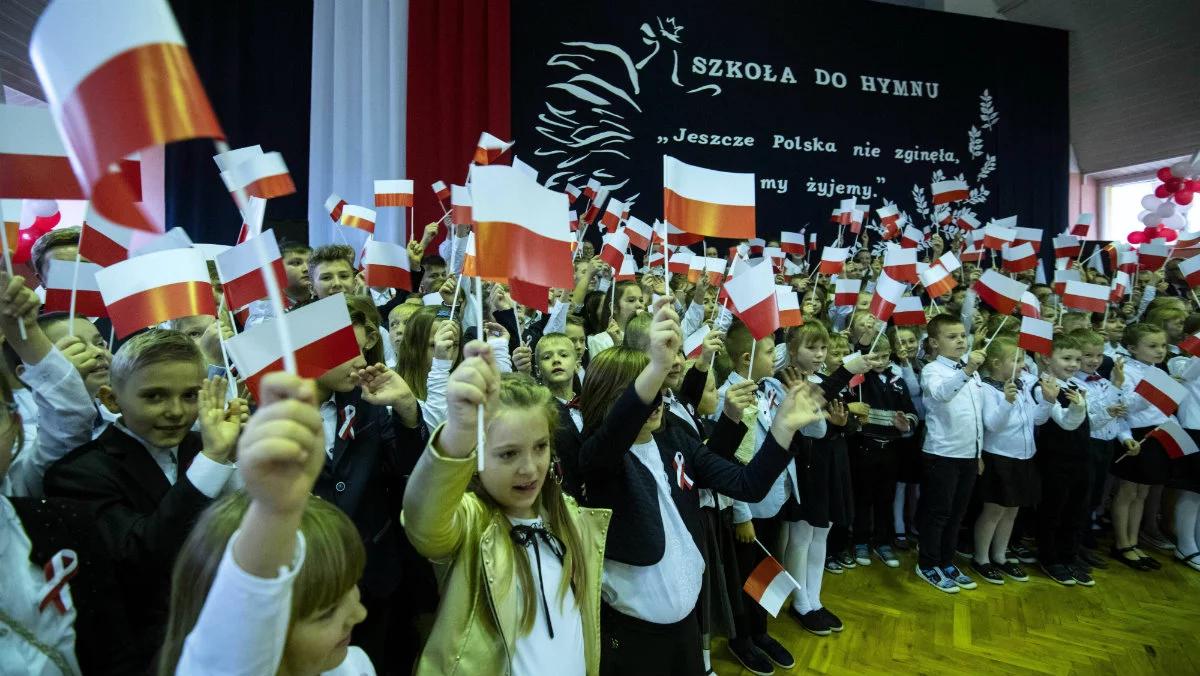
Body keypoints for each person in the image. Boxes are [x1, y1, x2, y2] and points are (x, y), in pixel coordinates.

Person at [576, 299, 826, 675]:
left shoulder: (676, 437)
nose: (658, 396)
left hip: (687, 623)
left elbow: (748, 485)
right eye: (647, 388)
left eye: (659, 387)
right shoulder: (599, 458)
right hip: (631, 635)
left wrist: (783, 430)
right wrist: (657, 365)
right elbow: (616, 430)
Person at [43, 329, 247, 666]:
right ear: (111, 399)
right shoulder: (77, 474)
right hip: (151, 655)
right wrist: (212, 462)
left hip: (231, 634)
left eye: (190, 395)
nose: (176, 411)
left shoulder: (207, 446)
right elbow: (141, 556)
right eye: (154, 397)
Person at [404, 353, 609, 675]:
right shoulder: (471, 522)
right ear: (478, 455)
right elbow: (424, 523)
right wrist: (457, 437)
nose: (529, 469)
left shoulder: (568, 516)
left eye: (540, 447)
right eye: (509, 453)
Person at [161, 372, 374, 675]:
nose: (360, 613)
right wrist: (273, 513)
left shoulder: (355, 665)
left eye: (353, 589)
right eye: (326, 613)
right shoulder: (228, 658)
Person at [0, 274, 140, 674]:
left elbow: (69, 416)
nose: (94, 355)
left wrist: (23, 336)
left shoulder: (52, 519)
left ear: (14, 426)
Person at [916, 314, 986, 593]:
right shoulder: (933, 370)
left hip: (968, 455)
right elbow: (943, 394)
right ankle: (927, 563)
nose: (960, 341)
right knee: (938, 513)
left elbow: (976, 416)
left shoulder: (971, 370)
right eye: (952, 336)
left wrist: (978, 452)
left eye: (962, 336)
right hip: (942, 454)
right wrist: (967, 370)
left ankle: (946, 560)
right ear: (934, 342)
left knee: (957, 513)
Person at [972, 336, 1045, 585]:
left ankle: (1000, 555)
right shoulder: (988, 388)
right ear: (995, 363)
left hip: (1024, 457)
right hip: (999, 457)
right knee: (994, 510)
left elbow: (1036, 419)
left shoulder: (1022, 384)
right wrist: (1007, 401)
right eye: (1016, 360)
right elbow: (992, 424)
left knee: (1012, 510)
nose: (1023, 364)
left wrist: (1048, 400)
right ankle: (981, 558)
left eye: (1023, 359)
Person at [847, 338, 917, 570]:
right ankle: (859, 541)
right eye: (875, 356)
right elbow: (848, 405)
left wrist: (905, 424)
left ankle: (883, 542)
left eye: (885, 356)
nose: (880, 361)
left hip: (891, 448)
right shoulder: (859, 379)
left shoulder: (898, 381)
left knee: (885, 498)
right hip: (864, 446)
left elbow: (911, 412)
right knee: (863, 497)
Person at [1030, 334, 1092, 585]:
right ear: (1046, 359)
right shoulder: (1041, 387)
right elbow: (1067, 423)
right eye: (1066, 358)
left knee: (1076, 509)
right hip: (1055, 460)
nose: (1074, 364)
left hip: (1080, 458)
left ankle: (1069, 555)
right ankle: (1050, 557)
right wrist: (1078, 407)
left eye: (1077, 359)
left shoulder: (1076, 386)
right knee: (1053, 509)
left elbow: (1091, 422)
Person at [1111, 322, 1172, 570]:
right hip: (1135, 433)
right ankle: (1121, 543)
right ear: (1133, 348)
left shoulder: (1159, 370)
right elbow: (1123, 408)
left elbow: (1165, 406)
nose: (1160, 351)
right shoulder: (1126, 371)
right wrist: (1151, 392)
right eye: (1152, 346)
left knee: (1142, 493)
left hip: (1156, 432)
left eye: (1163, 345)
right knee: (1128, 491)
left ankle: (1134, 542)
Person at [1072, 328, 1133, 569]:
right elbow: (1091, 416)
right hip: (1087, 444)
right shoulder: (1074, 383)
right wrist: (1115, 392)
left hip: (1106, 445)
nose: (1094, 360)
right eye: (1088, 355)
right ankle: (1073, 546)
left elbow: (1117, 413)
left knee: (1094, 497)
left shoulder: (1104, 381)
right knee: (1081, 498)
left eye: (1098, 355)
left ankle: (1083, 544)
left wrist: (1125, 437)